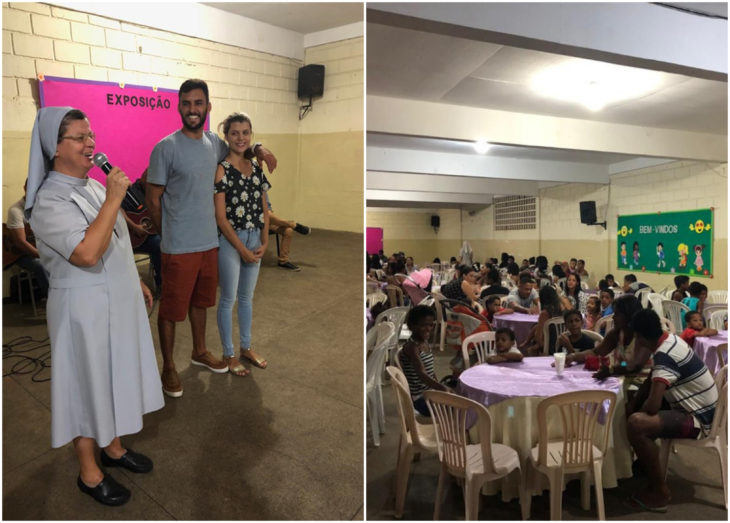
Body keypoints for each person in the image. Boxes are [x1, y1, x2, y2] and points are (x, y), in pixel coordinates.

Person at [25, 107, 164, 506]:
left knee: (114, 377)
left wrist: (131, 278)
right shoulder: (48, 201)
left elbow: (113, 241)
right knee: (86, 388)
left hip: (115, 301)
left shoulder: (90, 185)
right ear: (55, 147)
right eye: (80, 137)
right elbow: (86, 253)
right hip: (82, 313)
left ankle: (115, 449)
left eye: (92, 136)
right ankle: (89, 473)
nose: (91, 144)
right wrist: (115, 197)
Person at [146, 79, 276, 397]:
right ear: (179, 106)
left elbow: (240, 145)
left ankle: (200, 351)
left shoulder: (214, 144)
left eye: (198, 103)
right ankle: (168, 368)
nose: (193, 109)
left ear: (208, 107)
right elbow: (152, 198)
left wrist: (259, 148)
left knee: (202, 303)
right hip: (178, 245)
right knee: (171, 310)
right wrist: (168, 233)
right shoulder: (165, 147)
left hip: (211, 243)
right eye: (187, 103)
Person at [625, 309, 718, 512]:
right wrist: (633, 404)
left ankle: (660, 492)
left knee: (636, 424)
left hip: (700, 419)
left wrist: (636, 409)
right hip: (701, 407)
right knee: (632, 403)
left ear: (640, 337)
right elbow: (653, 378)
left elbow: (653, 406)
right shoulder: (670, 340)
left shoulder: (664, 355)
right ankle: (645, 463)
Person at [214, 112, 271, 376]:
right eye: (235, 133)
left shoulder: (257, 169)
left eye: (245, 132)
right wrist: (242, 249)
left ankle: (246, 347)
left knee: (247, 298)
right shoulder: (222, 169)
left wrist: (265, 239)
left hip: (254, 237)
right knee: (229, 299)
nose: (240, 138)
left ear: (251, 135)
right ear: (226, 136)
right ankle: (229, 354)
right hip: (231, 241)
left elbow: (265, 208)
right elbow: (221, 218)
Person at [399, 305, 452, 416]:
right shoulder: (412, 347)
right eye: (423, 325)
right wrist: (442, 388)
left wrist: (439, 387)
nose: (428, 328)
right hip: (419, 399)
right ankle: (450, 431)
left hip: (430, 392)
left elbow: (431, 372)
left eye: (430, 325)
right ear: (412, 326)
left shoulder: (424, 342)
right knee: (456, 407)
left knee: (458, 391)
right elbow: (422, 375)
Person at [5, 180, 49, 299]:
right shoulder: (16, 211)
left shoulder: (44, 207)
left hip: (41, 248)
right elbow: (21, 242)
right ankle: (52, 301)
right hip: (22, 254)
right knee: (42, 266)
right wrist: (42, 256)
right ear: (25, 188)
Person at [120, 169, 161, 291]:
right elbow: (117, 210)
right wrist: (134, 226)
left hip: (150, 235)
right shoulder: (131, 191)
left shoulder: (158, 194)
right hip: (132, 239)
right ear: (144, 178)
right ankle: (161, 284)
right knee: (159, 243)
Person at [266, 196, 310, 271]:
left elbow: (268, 207)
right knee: (267, 214)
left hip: (268, 222)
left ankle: (283, 261)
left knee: (288, 230)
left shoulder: (262, 189)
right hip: (255, 224)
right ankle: (293, 224)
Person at [520, 285, 564, 355]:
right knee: (536, 326)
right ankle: (526, 341)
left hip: (547, 345)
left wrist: (537, 344)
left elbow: (538, 337)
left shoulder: (545, 313)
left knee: (528, 350)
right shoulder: (561, 309)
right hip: (560, 344)